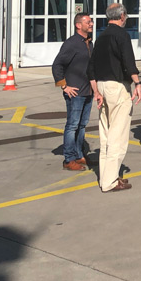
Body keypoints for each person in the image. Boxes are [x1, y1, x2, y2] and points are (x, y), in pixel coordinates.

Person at [88, 3, 141, 193]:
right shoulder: (122, 35)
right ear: (121, 16)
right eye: (125, 15)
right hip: (118, 86)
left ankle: (106, 176)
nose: (126, 18)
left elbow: (91, 67)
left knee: (105, 133)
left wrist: (96, 90)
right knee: (117, 135)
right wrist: (138, 82)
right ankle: (110, 181)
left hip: (101, 86)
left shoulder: (101, 36)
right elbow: (128, 61)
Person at [51, 13, 94, 171]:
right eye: (88, 22)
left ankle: (79, 155)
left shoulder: (88, 42)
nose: (91, 24)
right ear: (78, 25)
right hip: (75, 92)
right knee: (72, 125)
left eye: (91, 21)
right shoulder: (72, 43)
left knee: (82, 125)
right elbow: (57, 65)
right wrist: (64, 86)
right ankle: (69, 159)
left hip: (87, 91)